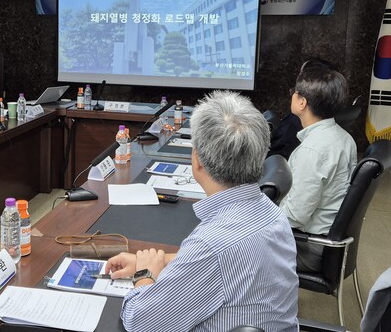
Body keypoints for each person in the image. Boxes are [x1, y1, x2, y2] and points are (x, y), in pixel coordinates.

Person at [106, 91, 299, 332]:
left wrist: (144, 273)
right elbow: (225, 265)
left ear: (196, 160)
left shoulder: (211, 245)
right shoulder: (271, 212)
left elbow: (140, 321)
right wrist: (155, 261)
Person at [280, 66, 357, 272]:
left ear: (302, 102)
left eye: (294, 93)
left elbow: (295, 216)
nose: (292, 96)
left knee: (236, 240)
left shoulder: (313, 150)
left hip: (308, 248)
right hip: (328, 242)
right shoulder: (344, 137)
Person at [268, 57, 337, 160]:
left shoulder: (307, 148)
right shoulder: (342, 137)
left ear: (303, 102)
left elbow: (282, 155)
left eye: (295, 91)